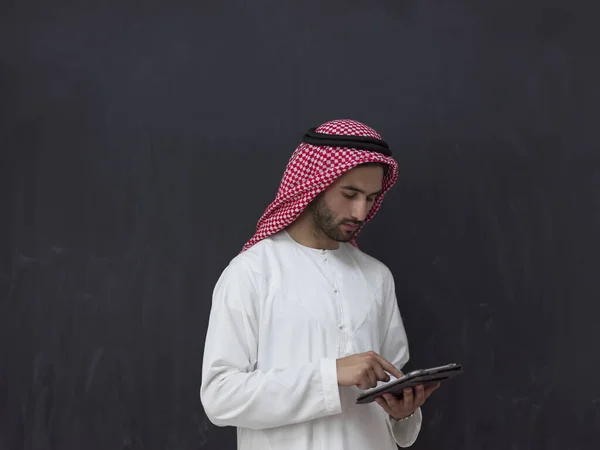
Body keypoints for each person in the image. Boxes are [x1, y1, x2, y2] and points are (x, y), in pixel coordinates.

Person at [200, 119, 440, 449]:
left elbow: (392, 401)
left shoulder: (376, 277)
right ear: (313, 184)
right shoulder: (252, 272)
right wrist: (330, 375)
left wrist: (402, 412)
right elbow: (220, 396)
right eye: (350, 194)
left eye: (370, 198)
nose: (360, 212)